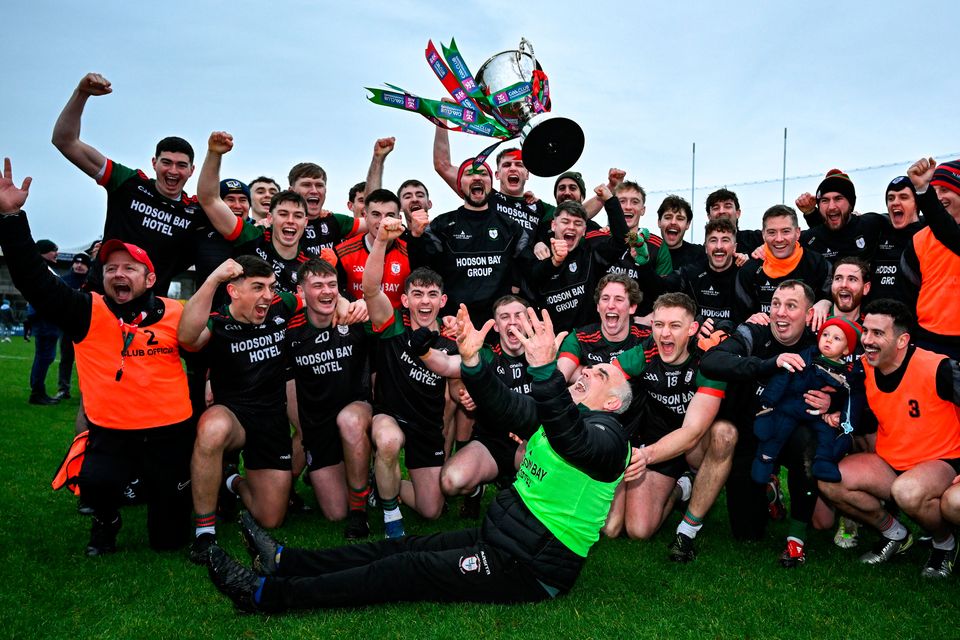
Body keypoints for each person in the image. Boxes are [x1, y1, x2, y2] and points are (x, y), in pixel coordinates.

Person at [204, 304, 638, 612]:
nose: (585, 373)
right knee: (403, 546)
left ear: (614, 403)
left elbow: (573, 442)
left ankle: (264, 594)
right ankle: (285, 561)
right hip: (503, 539)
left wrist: (545, 370)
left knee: (406, 568)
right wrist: (471, 359)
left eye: (599, 375)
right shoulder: (560, 418)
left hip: (529, 568)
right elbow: (505, 405)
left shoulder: (610, 439)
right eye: (588, 369)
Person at [0, 157, 194, 556]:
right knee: (98, 483)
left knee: (169, 541)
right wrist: (12, 217)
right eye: (111, 268)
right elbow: (34, 281)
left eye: (130, 268)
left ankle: (164, 497)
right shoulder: (87, 310)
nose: (119, 274)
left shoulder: (178, 314)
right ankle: (107, 518)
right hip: (111, 432)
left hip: (170, 433)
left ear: (150, 278)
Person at [818, 299, 960, 578]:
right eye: (866, 331)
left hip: (942, 462)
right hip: (891, 462)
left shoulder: (938, 368)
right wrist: (829, 405)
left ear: (902, 340)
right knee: (830, 479)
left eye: (878, 334)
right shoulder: (862, 369)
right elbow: (846, 399)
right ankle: (895, 534)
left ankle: (945, 543)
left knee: (909, 492)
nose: (867, 340)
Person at [700, 280, 836, 565]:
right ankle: (769, 490)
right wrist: (766, 364)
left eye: (791, 306)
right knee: (746, 534)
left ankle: (796, 538)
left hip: (794, 436)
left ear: (809, 314)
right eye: (775, 304)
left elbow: (854, 382)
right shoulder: (754, 331)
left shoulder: (819, 339)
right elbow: (711, 361)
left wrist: (831, 404)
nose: (781, 313)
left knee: (822, 518)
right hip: (753, 434)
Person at [180, 255, 302, 563]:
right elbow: (187, 337)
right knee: (211, 428)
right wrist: (212, 279)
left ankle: (230, 480)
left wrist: (345, 304)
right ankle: (204, 533)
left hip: (272, 421)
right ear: (234, 291)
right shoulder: (219, 321)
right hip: (234, 415)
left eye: (271, 287)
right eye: (258, 287)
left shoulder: (280, 307)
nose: (267, 296)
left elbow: (312, 297)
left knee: (271, 518)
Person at [51, 72, 207, 296]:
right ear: (154, 163)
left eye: (181, 165)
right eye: (166, 163)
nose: (173, 171)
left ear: (192, 171)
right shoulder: (129, 183)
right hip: (100, 299)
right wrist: (81, 93)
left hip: (149, 312)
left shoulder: (195, 211)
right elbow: (65, 141)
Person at [604, 293, 730, 564]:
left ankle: (688, 528)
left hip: (693, 443)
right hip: (657, 443)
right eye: (659, 325)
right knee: (637, 530)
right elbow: (601, 386)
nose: (664, 333)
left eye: (675, 326)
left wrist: (645, 456)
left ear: (692, 329)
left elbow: (693, 431)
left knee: (724, 435)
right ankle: (681, 487)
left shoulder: (708, 359)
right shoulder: (643, 353)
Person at [286, 258, 373, 539]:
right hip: (319, 426)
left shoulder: (356, 318)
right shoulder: (291, 331)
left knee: (348, 421)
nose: (327, 291)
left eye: (332, 285)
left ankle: (360, 514)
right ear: (301, 292)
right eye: (318, 285)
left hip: (357, 411)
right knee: (335, 512)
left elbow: (386, 321)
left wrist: (361, 304)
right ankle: (357, 477)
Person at [407, 158, 530, 325]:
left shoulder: (510, 226)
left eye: (483, 173)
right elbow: (422, 269)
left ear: (490, 183)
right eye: (469, 174)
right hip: (454, 323)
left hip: (498, 326)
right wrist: (415, 237)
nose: (477, 178)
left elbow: (529, 269)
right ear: (460, 185)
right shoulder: (442, 225)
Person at [751, 316, 863, 484]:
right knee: (778, 431)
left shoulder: (846, 374)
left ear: (846, 350)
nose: (828, 340)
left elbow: (851, 397)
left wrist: (843, 420)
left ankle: (823, 462)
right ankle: (765, 459)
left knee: (827, 435)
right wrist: (768, 401)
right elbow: (784, 375)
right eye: (825, 335)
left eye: (837, 338)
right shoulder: (808, 355)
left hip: (818, 414)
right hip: (793, 405)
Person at [197, 132, 310, 294]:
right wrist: (214, 154)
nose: (290, 220)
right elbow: (209, 199)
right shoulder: (253, 237)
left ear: (306, 222)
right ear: (270, 218)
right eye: (283, 214)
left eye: (297, 216)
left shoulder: (310, 262)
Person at [528, 190, 628, 332]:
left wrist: (610, 200)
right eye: (565, 222)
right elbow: (533, 277)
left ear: (584, 230)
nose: (571, 227)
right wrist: (554, 262)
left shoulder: (591, 255)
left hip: (588, 343)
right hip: (553, 342)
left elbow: (621, 241)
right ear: (553, 225)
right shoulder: (539, 252)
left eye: (578, 223)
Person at [901, 158, 960, 359]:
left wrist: (924, 190)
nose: (938, 197)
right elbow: (908, 294)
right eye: (934, 191)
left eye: (945, 189)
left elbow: (949, 233)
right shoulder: (918, 239)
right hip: (927, 341)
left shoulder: (948, 234)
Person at [734, 204, 832, 325]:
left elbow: (833, 297)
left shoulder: (818, 264)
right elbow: (740, 316)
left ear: (797, 233)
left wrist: (826, 302)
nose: (779, 239)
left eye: (786, 231)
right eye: (772, 232)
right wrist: (749, 321)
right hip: (763, 339)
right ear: (763, 235)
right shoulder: (749, 270)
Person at [335, 189, 409, 308]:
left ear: (399, 219)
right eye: (376, 214)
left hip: (396, 323)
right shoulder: (343, 253)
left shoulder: (410, 253)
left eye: (390, 215)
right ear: (365, 216)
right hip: (357, 322)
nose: (383, 221)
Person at [795, 169, 890, 264]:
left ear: (850, 204)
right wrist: (810, 213)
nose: (831, 207)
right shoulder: (808, 239)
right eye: (825, 200)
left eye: (838, 199)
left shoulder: (871, 224)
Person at [288, 162, 363, 256]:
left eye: (319, 185)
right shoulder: (276, 226)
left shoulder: (335, 220)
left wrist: (378, 160)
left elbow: (375, 222)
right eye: (306, 185)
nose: (314, 191)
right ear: (291, 192)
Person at [868, 176, 924, 302]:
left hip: (911, 318)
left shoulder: (928, 234)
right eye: (891, 198)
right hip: (874, 317)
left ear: (916, 203)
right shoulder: (879, 231)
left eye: (903, 197)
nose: (895, 202)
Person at [27, 238, 63, 405]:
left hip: (45, 318)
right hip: (46, 318)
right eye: (53, 250)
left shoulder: (38, 268)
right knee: (45, 356)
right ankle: (37, 392)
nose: (57, 253)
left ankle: (37, 390)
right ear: (43, 252)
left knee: (44, 356)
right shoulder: (42, 270)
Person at [56, 251, 90, 400]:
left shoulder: (92, 282)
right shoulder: (64, 280)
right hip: (68, 326)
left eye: (82, 263)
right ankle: (64, 388)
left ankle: (88, 391)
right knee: (66, 358)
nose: (79, 265)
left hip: (88, 327)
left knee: (89, 361)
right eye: (76, 262)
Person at [705, 188, 762, 254]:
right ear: (709, 216)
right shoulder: (702, 252)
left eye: (727, 206)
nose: (722, 211)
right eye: (716, 208)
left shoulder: (757, 239)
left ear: (738, 213)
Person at [657, 195, 704, 268]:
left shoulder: (699, 254)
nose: (673, 222)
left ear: (687, 224)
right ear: (659, 222)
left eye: (680, 219)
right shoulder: (648, 252)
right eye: (668, 217)